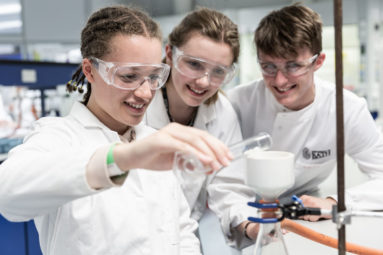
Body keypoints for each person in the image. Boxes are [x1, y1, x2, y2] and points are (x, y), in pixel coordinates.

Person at [0, 6, 234, 255]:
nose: (145, 93)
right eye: (129, 76)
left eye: (154, 76)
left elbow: (181, 231)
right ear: (90, 70)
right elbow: (8, 195)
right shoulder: (59, 136)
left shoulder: (152, 139)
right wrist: (124, 158)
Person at [228, 3, 383, 222]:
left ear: (318, 61)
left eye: (293, 66)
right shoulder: (238, 102)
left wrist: (336, 202)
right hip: (240, 209)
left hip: (300, 212)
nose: (280, 81)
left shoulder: (345, 109)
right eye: (268, 67)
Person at [144, 7, 258, 250]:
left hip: (185, 238)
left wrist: (251, 225)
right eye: (194, 64)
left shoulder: (221, 113)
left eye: (218, 71)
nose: (204, 82)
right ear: (169, 54)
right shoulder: (139, 102)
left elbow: (229, 186)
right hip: (131, 237)